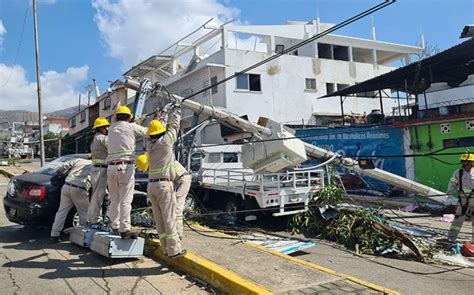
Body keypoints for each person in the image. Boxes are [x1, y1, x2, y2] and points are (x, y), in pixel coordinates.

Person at [145, 103, 186, 258]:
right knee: (169, 219)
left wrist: (162, 114)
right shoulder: (166, 142)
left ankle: (166, 249)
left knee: (159, 220)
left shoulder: (149, 144)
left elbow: (159, 129)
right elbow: (174, 126)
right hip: (164, 185)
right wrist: (176, 110)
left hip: (152, 186)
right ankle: (175, 250)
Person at [107, 106, 147, 239]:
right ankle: (125, 229)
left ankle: (115, 226)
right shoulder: (131, 127)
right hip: (125, 167)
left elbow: (126, 130)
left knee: (114, 199)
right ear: (129, 117)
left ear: (116, 117)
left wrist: (137, 122)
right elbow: (147, 133)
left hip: (111, 168)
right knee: (125, 200)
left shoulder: (112, 128)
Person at [50, 158, 92, 242]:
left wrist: (59, 172)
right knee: (84, 213)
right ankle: (83, 237)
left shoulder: (79, 160)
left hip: (66, 186)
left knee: (61, 211)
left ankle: (54, 234)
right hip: (79, 189)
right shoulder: (93, 165)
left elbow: (63, 167)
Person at [447, 153, 474, 244]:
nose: (463, 163)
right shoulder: (458, 172)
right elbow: (452, 183)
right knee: (458, 220)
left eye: (465, 161)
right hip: (463, 200)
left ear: (470, 162)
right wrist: (449, 194)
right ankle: (451, 238)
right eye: (462, 161)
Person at [87, 117, 110, 227]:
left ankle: (91, 218)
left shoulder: (95, 139)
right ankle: (95, 219)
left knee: (97, 195)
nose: (108, 128)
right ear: (101, 128)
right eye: (106, 127)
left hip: (96, 169)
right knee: (98, 196)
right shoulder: (103, 138)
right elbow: (114, 146)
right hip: (101, 170)